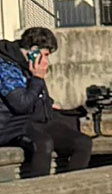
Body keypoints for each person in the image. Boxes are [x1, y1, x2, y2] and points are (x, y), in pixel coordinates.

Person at [0, 27, 92, 177]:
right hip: (11, 126)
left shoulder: (28, 64)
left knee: (82, 142)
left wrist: (49, 103)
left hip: (37, 121)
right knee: (43, 143)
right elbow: (21, 104)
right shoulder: (6, 67)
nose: (46, 61)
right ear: (34, 51)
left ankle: (71, 189)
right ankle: (38, 193)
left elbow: (35, 94)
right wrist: (37, 77)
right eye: (45, 55)